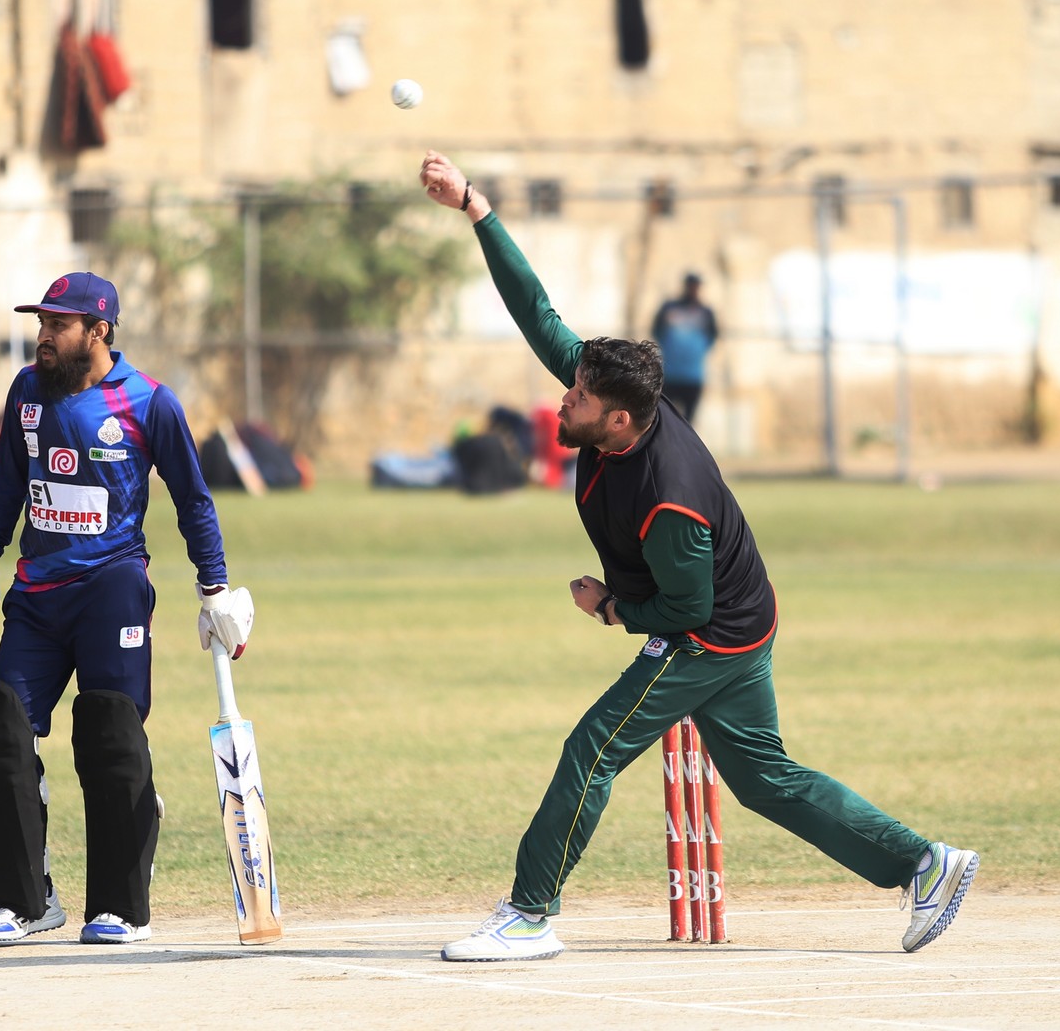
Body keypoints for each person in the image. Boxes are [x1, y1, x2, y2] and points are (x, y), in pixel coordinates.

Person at [418, 151, 979, 962]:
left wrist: (612, 608)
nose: (563, 399)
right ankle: (925, 864)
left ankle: (529, 913)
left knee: (592, 749)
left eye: (578, 398)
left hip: (708, 633)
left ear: (618, 421)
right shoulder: (618, 403)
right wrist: (476, 207)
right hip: (745, 619)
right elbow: (536, 311)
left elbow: (687, 608)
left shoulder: (668, 496)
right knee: (765, 779)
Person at [0, 272, 255, 945]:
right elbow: (8, 483)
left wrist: (216, 590)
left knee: (110, 729)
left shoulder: (149, 402)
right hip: (37, 592)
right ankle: (26, 901)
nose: (44, 336)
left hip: (112, 586)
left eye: (58, 325)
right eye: (42, 323)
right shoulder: (27, 391)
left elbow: (193, 500)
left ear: (99, 331)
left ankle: (121, 903)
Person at [650, 271, 718, 422]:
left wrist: (697, 351)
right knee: (664, 418)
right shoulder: (669, 308)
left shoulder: (705, 312)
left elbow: (713, 336)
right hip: (670, 374)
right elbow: (656, 330)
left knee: (688, 421)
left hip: (693, 376)